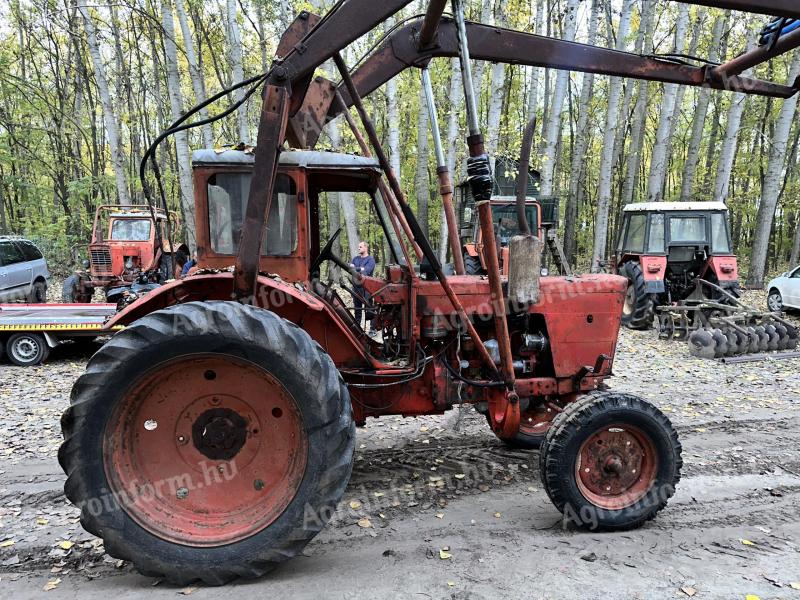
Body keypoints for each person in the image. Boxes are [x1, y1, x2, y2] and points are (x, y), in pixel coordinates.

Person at [350, 241, 376, 334]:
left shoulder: (371, 260)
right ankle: (357, 329)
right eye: (358, 247)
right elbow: (351, 269)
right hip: (356, 287)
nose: (359, 248)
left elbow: (366, 271)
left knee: (369, 309)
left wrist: (356, 268)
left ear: (366, 247)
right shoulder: (355, 258)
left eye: (360, 247)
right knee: (357, 309)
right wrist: (360, 268)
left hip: (367, 288)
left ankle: (372, 329)